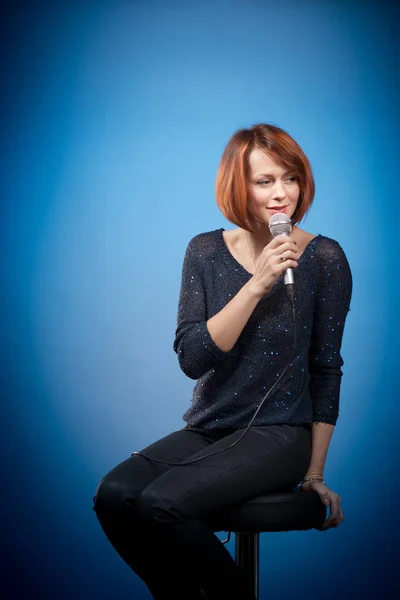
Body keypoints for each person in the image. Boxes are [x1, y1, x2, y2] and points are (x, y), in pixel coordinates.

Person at [92, 123, 352, 600]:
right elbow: (194, 358)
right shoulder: (205, 250)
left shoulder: (325, 257)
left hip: (281, 432)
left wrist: (314, 474)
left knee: (162, 504)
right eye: (264, 181)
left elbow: (326, 368)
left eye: (290, 178)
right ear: (239, 186)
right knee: (114, 495)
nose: (281, 194)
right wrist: (256, 284)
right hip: (211, 427)